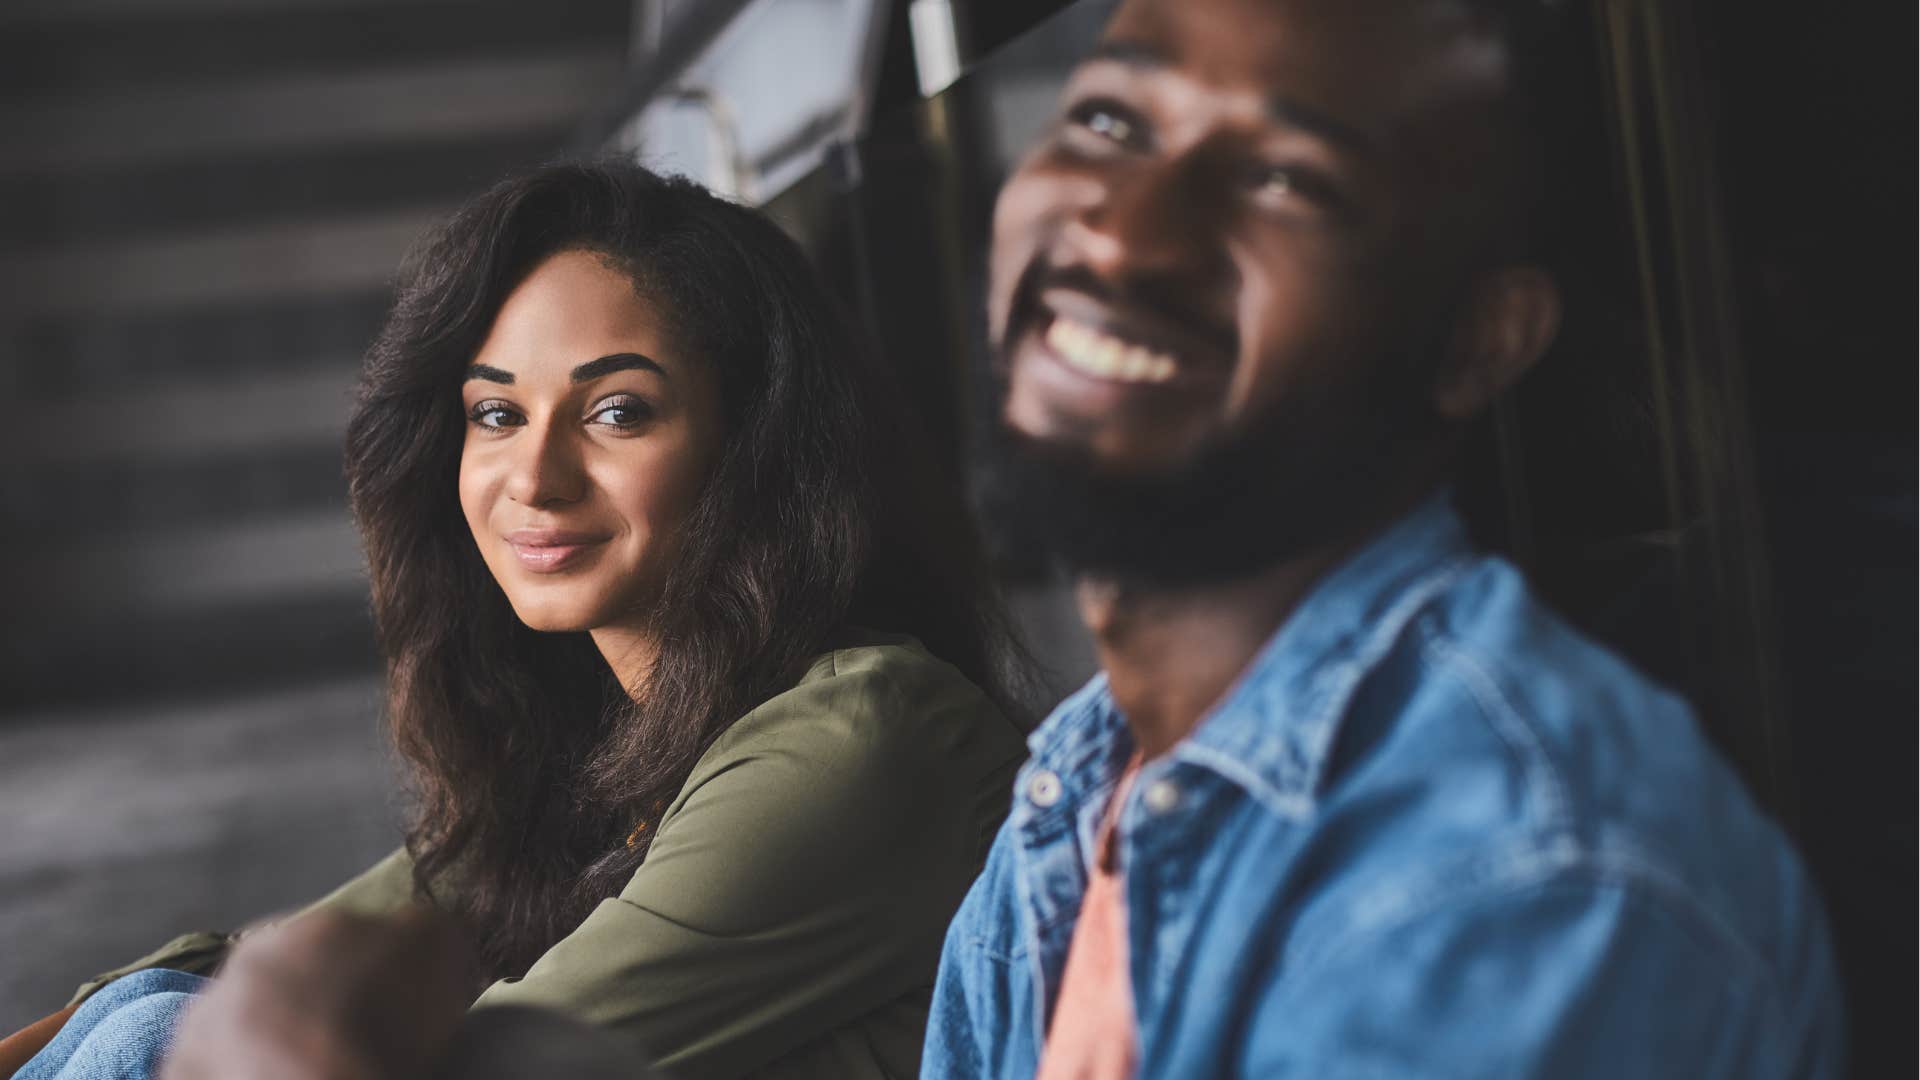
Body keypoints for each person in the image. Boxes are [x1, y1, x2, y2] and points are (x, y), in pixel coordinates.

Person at [924, 0, 1845, 1077]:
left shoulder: (1520, 878)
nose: (1125, 233)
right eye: (1114, 123)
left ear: (1478, 342)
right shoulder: (1083, 782)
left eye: (1288, 180)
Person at [3, 161, 1028, 1080]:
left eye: (617, 411)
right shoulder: (594, 738)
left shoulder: (866, 738)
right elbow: (286, 949)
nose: (534, 478)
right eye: (496, 414)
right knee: (149, 1015)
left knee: (158, 1041)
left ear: (756, 450)